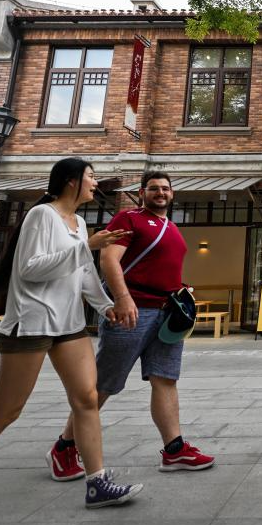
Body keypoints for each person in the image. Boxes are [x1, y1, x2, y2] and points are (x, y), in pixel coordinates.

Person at [0, 158, 143, 525]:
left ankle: (98, 482)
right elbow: (31, 269)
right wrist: (87, 247)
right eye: (90, 177)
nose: (95, 183)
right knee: (4, 412)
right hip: (31, 324)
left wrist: (107, 307)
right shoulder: (42, 216)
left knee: (87, 400)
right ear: (71, 182)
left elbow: (85, 274)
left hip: (69, 326)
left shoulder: (79, 222)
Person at [48, 170, 215, 479]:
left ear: (172, 194)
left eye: (165, 189)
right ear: (141, 193)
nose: (160, 193)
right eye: (153, 188)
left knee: (165, 378)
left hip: (167, 314)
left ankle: (174, 450)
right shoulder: (128, 219)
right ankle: (64, 447)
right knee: (105, 382)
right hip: (133, 312)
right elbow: (109, 260)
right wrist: (123, 299)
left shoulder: (170, 226)